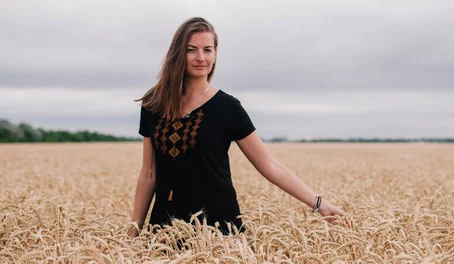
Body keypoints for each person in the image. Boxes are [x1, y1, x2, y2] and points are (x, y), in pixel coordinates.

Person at [128, 17, 347, 239]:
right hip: (165, 230)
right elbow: (149, 174)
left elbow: (270, 165)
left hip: (219, 228)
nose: (201, 58)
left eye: (208, 50)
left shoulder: (228, 108)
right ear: (177, 53)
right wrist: (132, 233)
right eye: (191, 50)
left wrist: (320, 204)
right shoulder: (153, 105)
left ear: (215, 54)